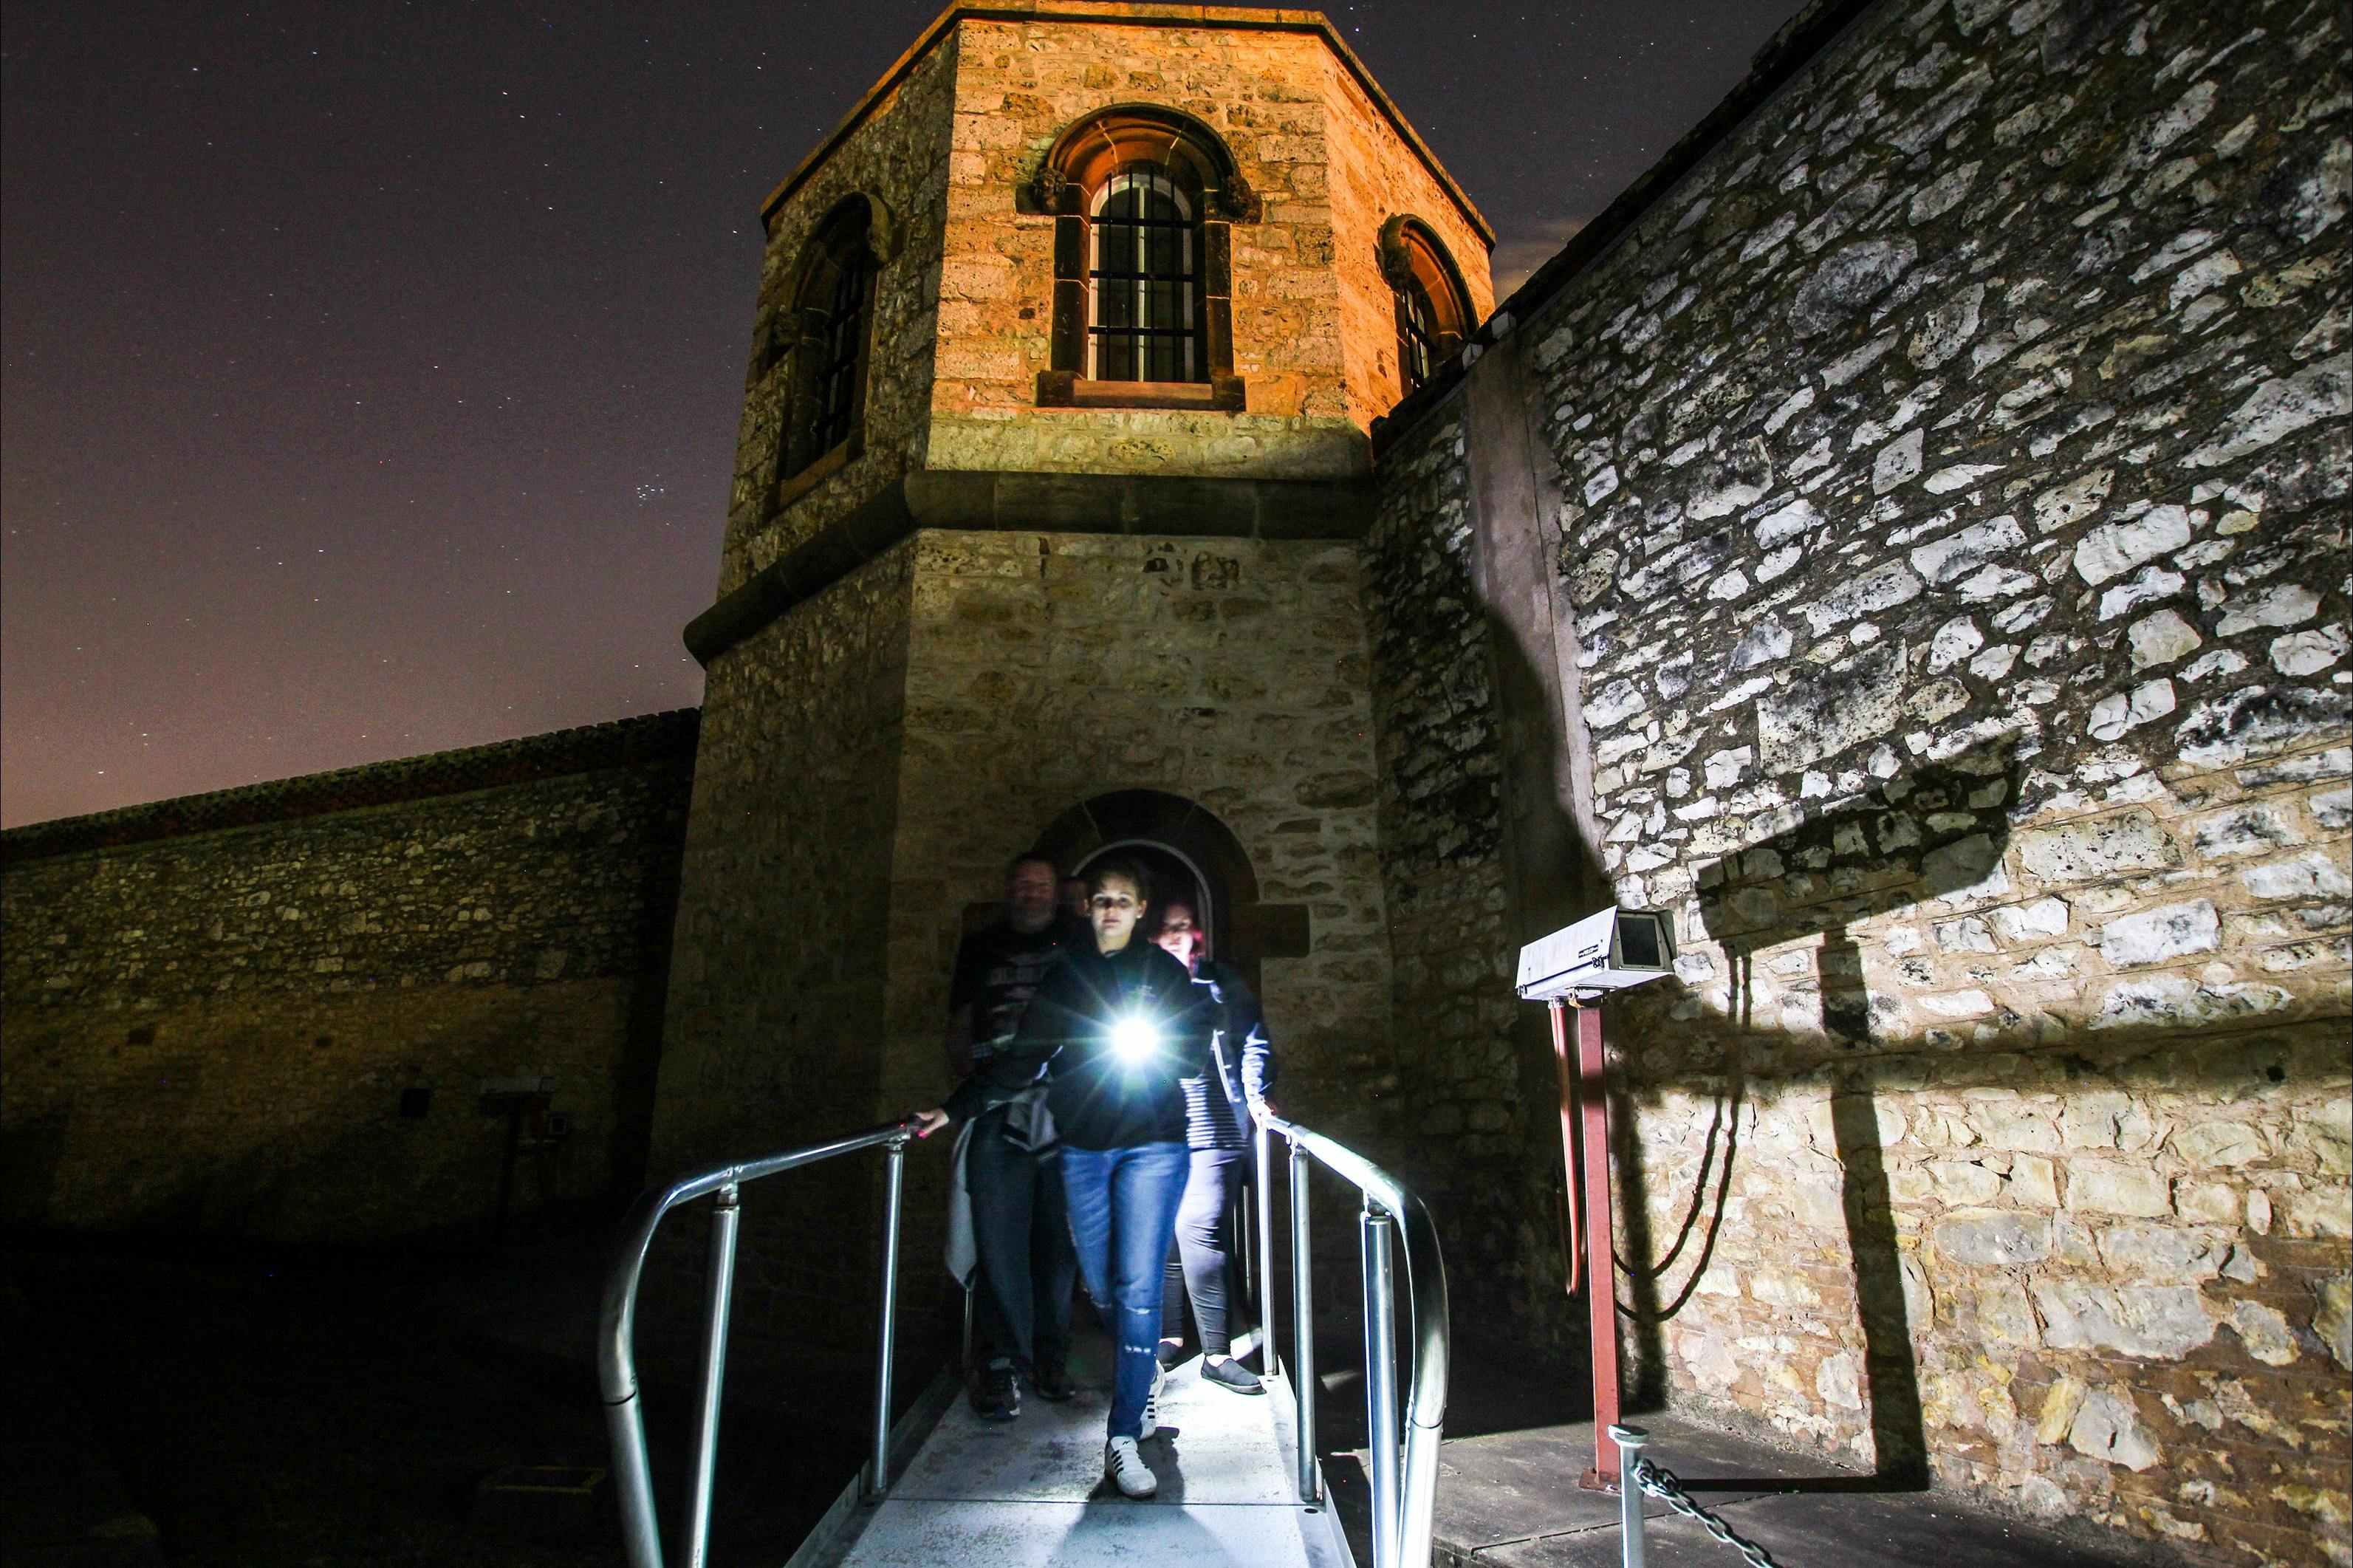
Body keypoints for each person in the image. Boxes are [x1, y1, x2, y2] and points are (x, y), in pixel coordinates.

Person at [915, 855, 1209, 1499]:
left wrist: (1173, 1040)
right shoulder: (1067, 978)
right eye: (1099, 899)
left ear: (1139, 911)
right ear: (1089, 907)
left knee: (1135, 1286)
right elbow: (1022, 1060)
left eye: (1121, 900)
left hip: (1153, 1143)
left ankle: (1124, 1433)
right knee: (1103, 1283)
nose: (1108, 909)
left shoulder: (1161, 971)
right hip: (1084, 1145)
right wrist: (954, 1106)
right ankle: (1142, 1369)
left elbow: (1193, 1044)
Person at [934, 852, 1079, 1421]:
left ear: (1055, 890)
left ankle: (1050, 1357)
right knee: (997, 1236)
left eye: (1041, 883)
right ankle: (998, 1363)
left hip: (1065, 1109)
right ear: (1009, 889)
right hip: (995, 1102)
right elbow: (960, 1018)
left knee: (1056, 1241)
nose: (1031, 892)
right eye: (1021, 883)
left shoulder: (1076, 942)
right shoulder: (982, 944)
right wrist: (967, 1085)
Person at [1152, 902, 1276, 1396]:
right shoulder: (1143, 984)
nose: (1178, 938)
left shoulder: (1226, 983)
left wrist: (1255, 1093)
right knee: (1165, 1234)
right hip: (1159, 1125)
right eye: (1167, 929)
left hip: (1216, 1123)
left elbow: (1254, 1041)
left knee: (1198, 1226)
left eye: (1184, 927)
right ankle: (1170, 1333)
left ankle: (1217, 1352)